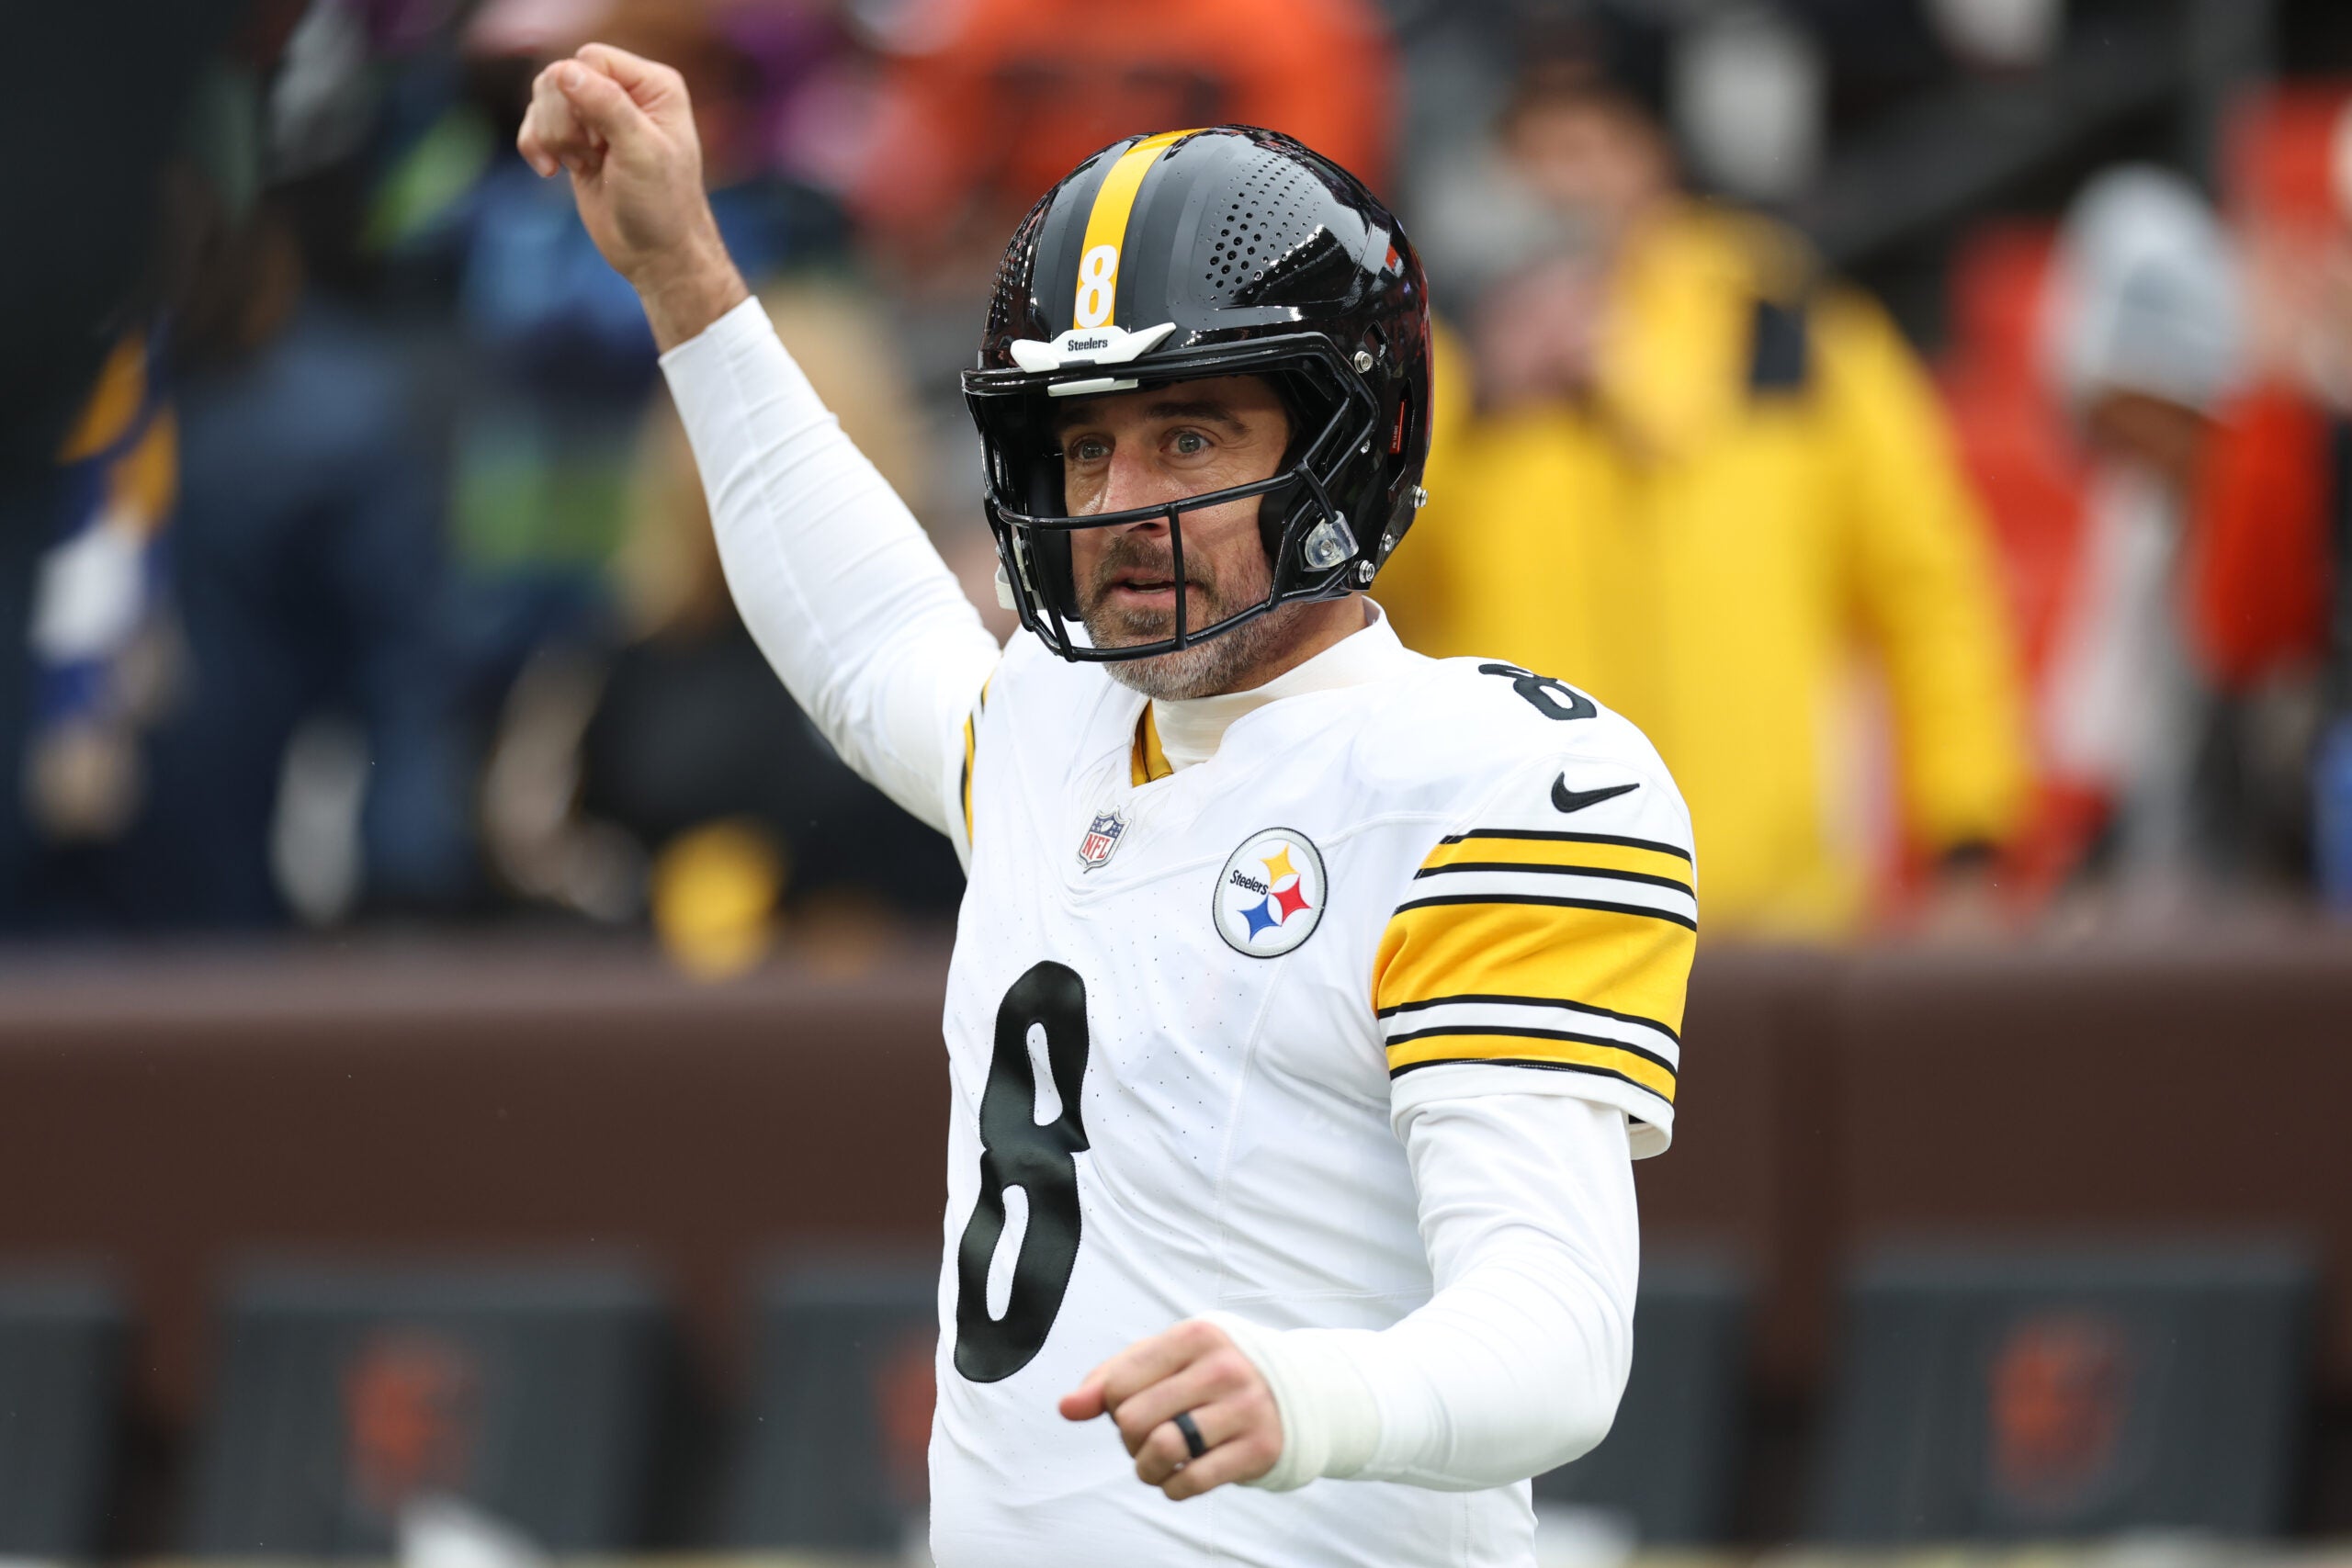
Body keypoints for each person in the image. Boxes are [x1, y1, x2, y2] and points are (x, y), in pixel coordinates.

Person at [520, 41, 1694, 1568]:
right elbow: (864, 634)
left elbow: (1557, 1334)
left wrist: (1310, 1390)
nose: (1120, 505)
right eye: (1084, 446)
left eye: (1187, 436)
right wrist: (682, 268)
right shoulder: (1051, 723)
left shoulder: (1485, 780)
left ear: (1348, 444)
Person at [1380, 32, 2032, 939]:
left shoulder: (1791, 332)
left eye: (1589, 146)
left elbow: (1929, 590)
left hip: (1770, 921)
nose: (1560, 182)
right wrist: (1478, 398)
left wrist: (1968, 836)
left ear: (1656, 156)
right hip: (1521, 927)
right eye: (1532, 151)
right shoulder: (1438, 361)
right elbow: (1366, 602)